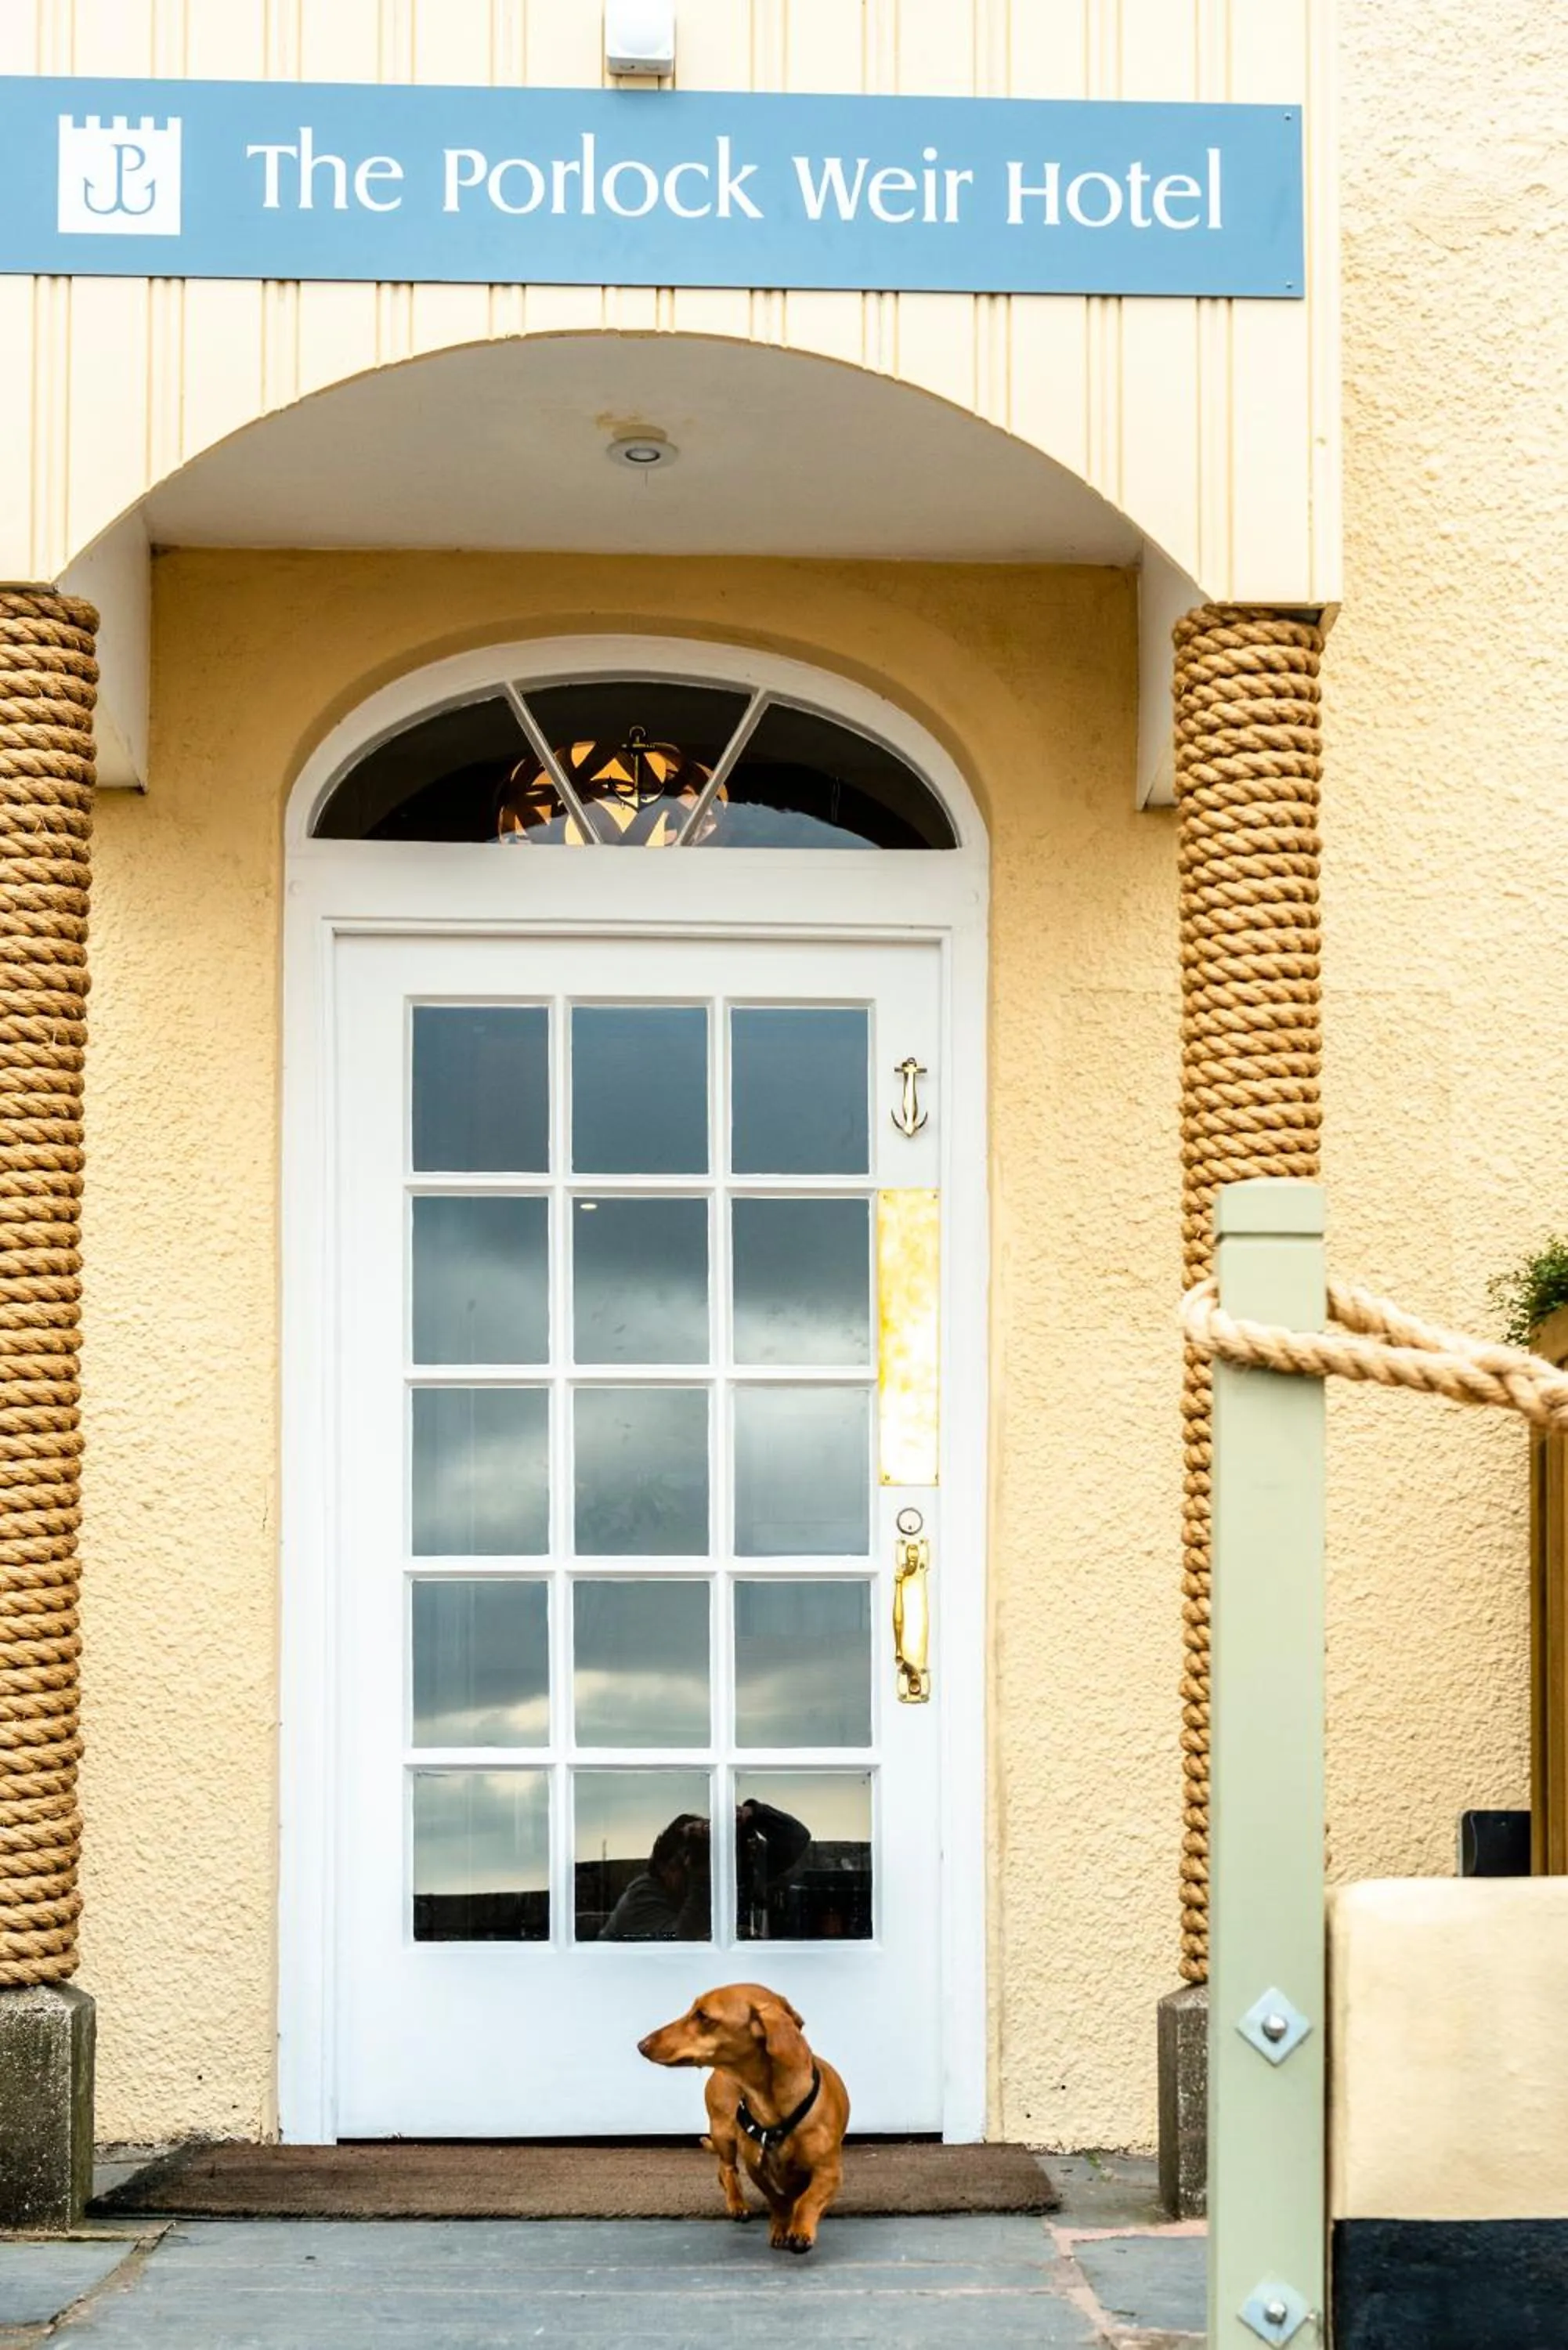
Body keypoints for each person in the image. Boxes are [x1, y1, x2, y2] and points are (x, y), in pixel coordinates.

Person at [598, 1799, 811, 1941]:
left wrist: (753, 1814)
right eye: (682, 1863)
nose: (687, 1871)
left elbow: (796, 1838)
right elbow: (683, 1944)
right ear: (663, 1867)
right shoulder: (643, 1894)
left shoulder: (729, 1873)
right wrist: (702, 1877)